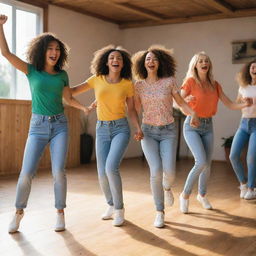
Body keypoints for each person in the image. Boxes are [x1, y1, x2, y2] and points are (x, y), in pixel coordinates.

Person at [0, 14, 89, 233]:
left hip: (60, 125)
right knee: (26, 173)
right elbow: (6, 53)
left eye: (58, 49)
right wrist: (0, 27)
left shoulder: (62, 75)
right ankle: (18, 213)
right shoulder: (32, 70)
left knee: (59, 171)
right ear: (43, 51)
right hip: (37, 126)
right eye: (50, 48)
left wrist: (84, 108)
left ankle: (60, 214)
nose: (54, 52)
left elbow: (67, 98)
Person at [71, 45, 143, 227]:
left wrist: (137, 128)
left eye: (118, 58)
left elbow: (132, 110)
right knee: (101, 172)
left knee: (111, 168)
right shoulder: (97, 79)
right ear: (106, 62)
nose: (115, 60)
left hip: (120, 128)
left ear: (123, 63)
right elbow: (72, 91)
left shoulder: (127, 84)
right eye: (111, 58)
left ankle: (120, 209)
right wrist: (57, 81)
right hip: (102, 128)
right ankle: (110, 205)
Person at [132, 45, 199, 228]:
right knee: (155, 172)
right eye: (147, 59)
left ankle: (167, 187)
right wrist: (137, 128)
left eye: (154, 59)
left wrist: (192, 114)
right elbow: (135, 110)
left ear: (160, 62)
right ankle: (159, 212)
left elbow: (180, 103)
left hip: (168, 131)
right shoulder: (138, 85)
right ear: (143, 64)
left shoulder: (169, 81)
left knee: (169, 173)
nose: (151, 61)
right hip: (148, 132)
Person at [179, 51, 252, 214]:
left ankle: (202, 195)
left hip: (207, 125)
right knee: (201, 161)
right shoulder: (190, 82)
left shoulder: (215, 84)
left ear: (209, 65)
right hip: (191, 126)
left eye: (206, 61)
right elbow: (178, 103)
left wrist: (245, 105)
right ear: (195, 66)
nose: (204, 63)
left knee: (207, 164)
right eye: (200, 61)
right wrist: (188, 106)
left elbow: (230, 104)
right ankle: (184, 195)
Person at [229, 59, 256, 200]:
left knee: (251, 158)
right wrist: (244, 103)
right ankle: (244, 183)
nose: (255, 69)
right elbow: (237, 102)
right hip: (244, 124)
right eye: (252, 66)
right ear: (249, 70)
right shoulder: (243, 87)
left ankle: (252, 188)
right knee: (233, 156)